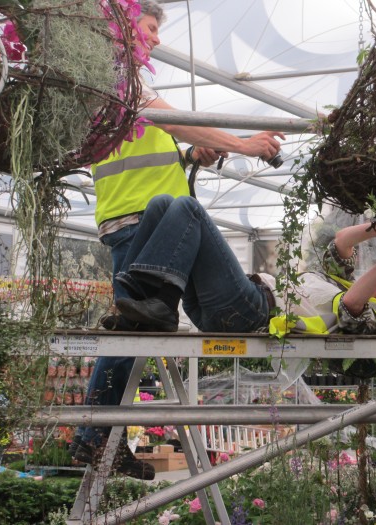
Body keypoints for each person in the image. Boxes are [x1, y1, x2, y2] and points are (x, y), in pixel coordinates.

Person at [70, 0, 284, 479]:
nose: (158, 39)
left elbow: (159, 136)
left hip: (148, 219)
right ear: (126, 28)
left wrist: (192, 153)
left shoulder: (126, 80)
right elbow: (171, 119)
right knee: (131, 333)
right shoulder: (118, 79)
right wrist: (243, 144)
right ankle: (94, 436)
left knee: (139, 329)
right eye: (150, 28)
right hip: (136, 220)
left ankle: (100, 437)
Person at [113, 195, 376, 338]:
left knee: (188, 209)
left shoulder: (370, 324)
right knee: (161, 205)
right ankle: (130, 311)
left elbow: (352, 306)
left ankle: (163, 308)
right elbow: (342, 241)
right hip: (224, 306)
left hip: (251, 310)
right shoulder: (343, 286)